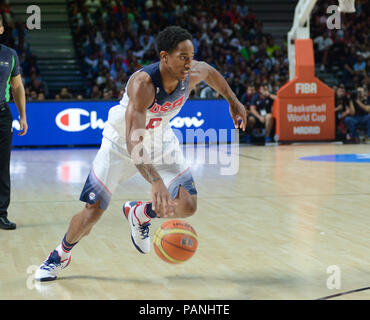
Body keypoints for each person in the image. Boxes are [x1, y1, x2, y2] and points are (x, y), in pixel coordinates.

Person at [35, 26, 247, 281]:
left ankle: (139, 214)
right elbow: (134, 142)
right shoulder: (143, 84)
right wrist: (155, 180)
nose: (189, 63)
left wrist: (233, 101)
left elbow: (211, 73)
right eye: (183, 57)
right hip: (122, 145)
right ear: (164, 56)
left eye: (191, 57)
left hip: (161, 141)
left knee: (188, 205)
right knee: (92, 212)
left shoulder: (191, 72)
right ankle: (60, 255)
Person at [0, 16, 28, 230]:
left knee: (2, 166)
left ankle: (1, 214)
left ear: (1, 29)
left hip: (2, 114)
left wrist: (22, 115)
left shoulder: (9, 54)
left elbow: (17, 87)